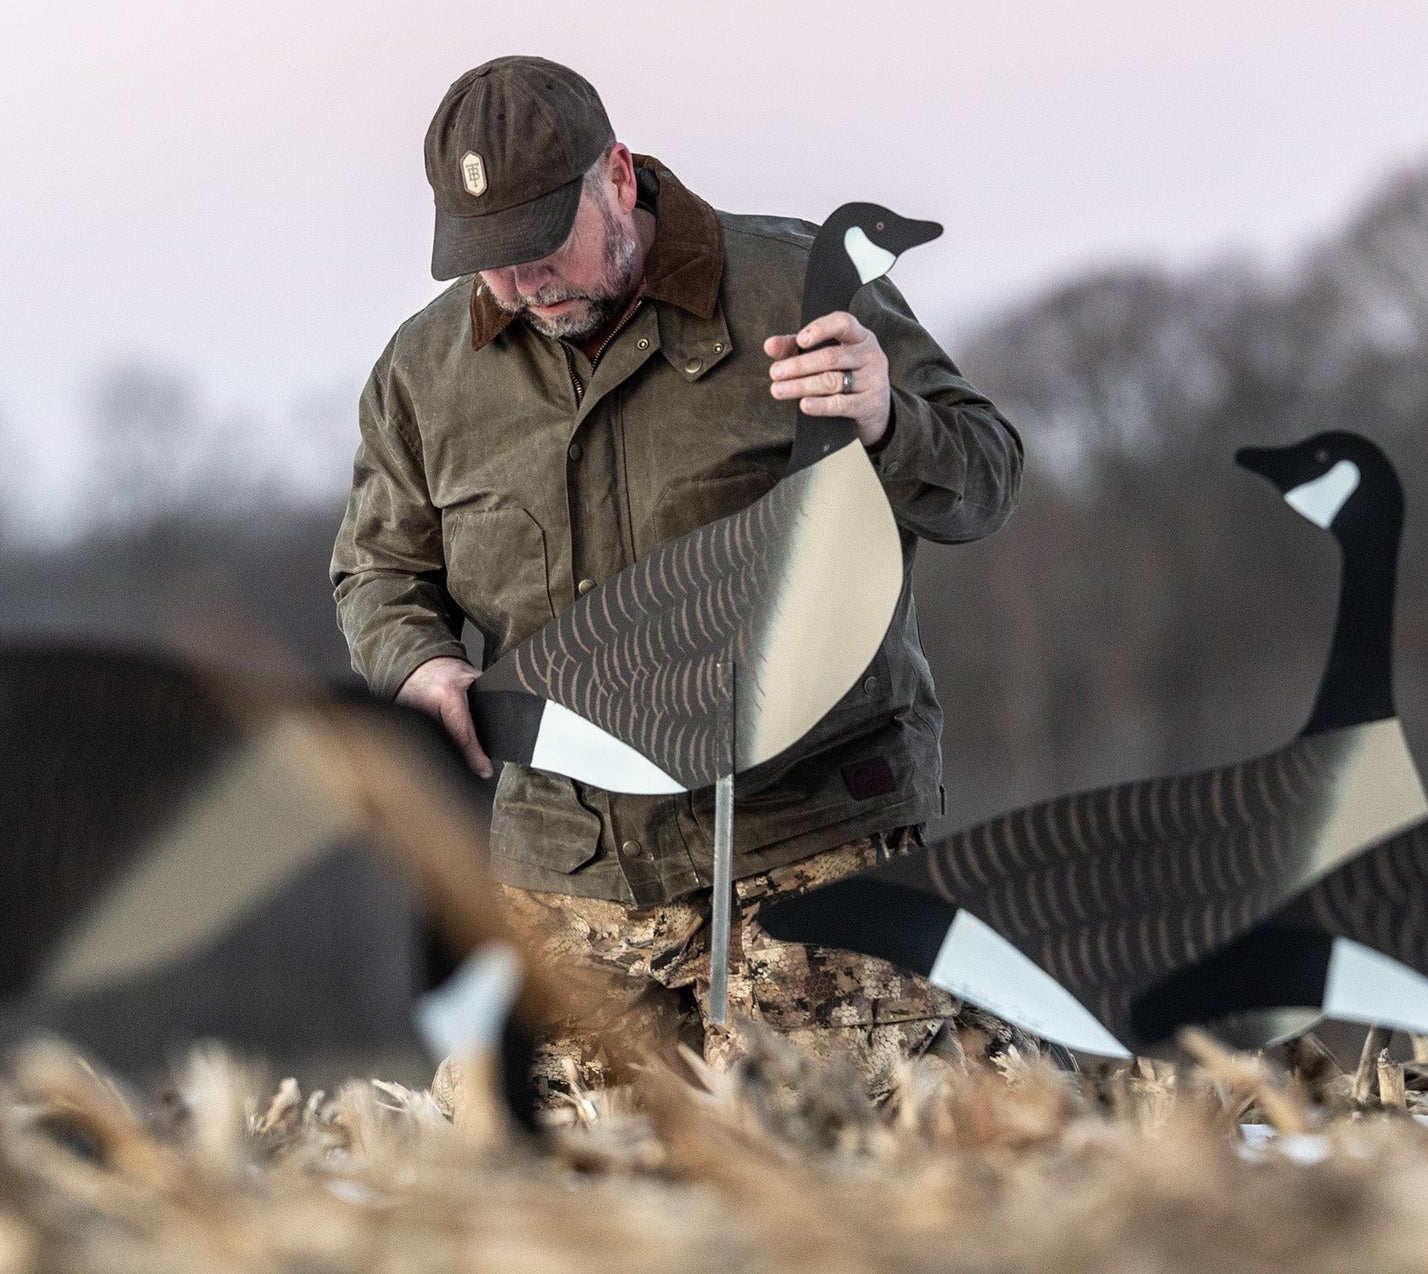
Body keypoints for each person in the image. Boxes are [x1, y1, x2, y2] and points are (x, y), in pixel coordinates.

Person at [331, 55, 1025, 1101]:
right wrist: (417, 662)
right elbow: (378, 566)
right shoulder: (423, 375)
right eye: (488, 260)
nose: (522, 284)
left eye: (536, 242)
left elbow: (984, 481)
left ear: (616, 176)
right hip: (568, 869)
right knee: (545, 1200)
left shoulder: (802, 285)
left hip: (814, 842)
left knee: (855, 1171)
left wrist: (890, 415)